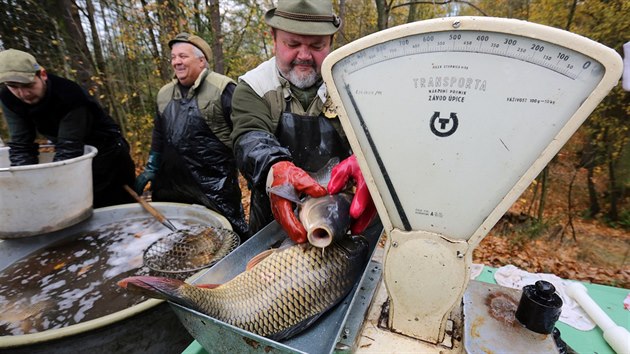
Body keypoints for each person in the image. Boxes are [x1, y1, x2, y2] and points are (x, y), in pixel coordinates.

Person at [230, 0, 377, 243]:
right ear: (274, 38)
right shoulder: (254, 86)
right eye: (293, 44)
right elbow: (249, 136)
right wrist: (274, 168)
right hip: (273, 218)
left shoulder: (358, 85)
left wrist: (368, 161)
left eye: (317, 46)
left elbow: (382, 136)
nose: (304, 56)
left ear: (331, 43)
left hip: (343, 216)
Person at [134, 33, 249, 240]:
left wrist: (252, 175)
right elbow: (159, 133)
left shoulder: (223, 89)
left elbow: (245, 136)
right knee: (177, 243)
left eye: (183, 56)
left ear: (201, 60)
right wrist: (152, 165)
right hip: (171, 189)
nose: (177, 62)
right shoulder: (164, 94)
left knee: (227, 241)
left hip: (214, 190)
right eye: (173, 57)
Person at [0, 48, 136, 208]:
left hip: (107, 151)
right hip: (71, 151)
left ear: (42, 75)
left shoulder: (69, 94)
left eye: (28, 85)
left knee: (109, 206)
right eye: (13, 86)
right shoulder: (9, 98)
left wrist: (53, 189)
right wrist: (26, 186)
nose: (23, 93)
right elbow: (21, 146)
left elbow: (68, 151)